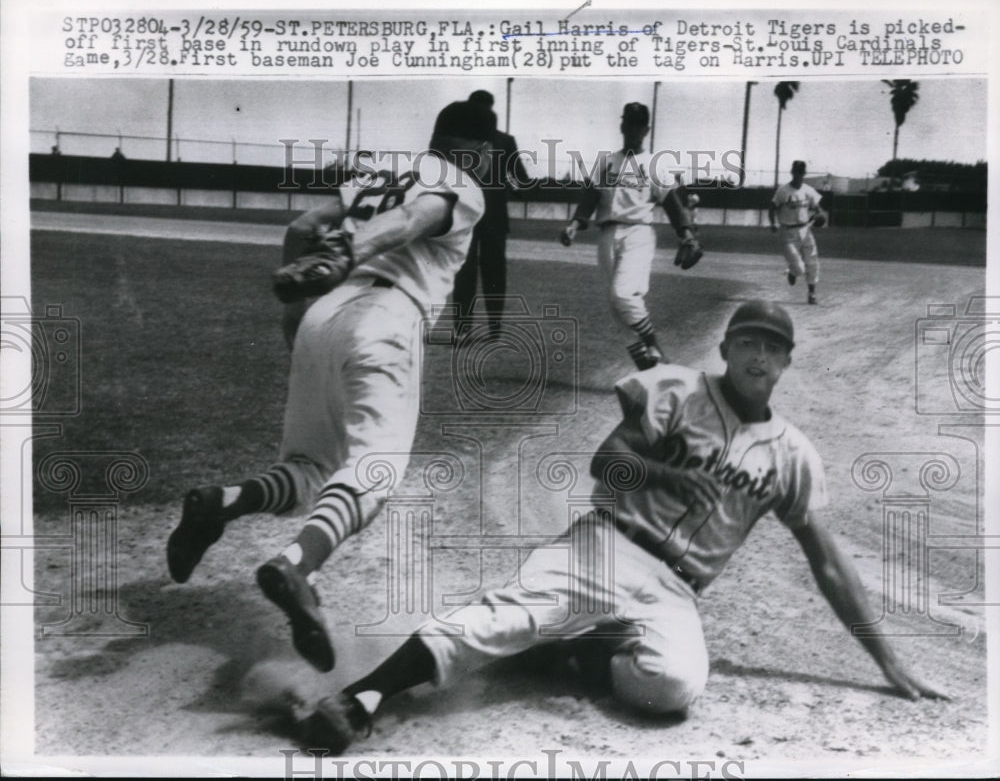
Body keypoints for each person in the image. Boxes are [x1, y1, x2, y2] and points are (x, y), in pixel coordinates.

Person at [296, 299, 946, 754]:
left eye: (773, 348)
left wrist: (888, 660)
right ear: (725, 348)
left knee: (673, 687)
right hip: (607, 546)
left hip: (676, 591)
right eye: (748, 340)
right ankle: (359, 700)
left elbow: (827, 560)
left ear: (785, 365)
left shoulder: (793, 455)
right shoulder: (679, 391)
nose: (759, 354)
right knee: (504, 618)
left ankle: (584, 649)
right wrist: (665, 477)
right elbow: (608, 460)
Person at [166, 101, 496, 672]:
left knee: (309, 466)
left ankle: (220, 503)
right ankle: (298, 564)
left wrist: (301, 304)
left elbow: (302, 228)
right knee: (374, 471)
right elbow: (417, 218)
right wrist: (352, 252)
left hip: (324, 313)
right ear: (472, 147)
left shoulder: (380, 172)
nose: (489, 160)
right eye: (488, 150)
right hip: (387, 317)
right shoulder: (460, 180)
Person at [559, 102, 702, 371]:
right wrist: (574, 226)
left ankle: (655, 346)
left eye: (639, 125)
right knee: (617, 309)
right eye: (629, 123)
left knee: (622, 294)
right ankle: (647, 368)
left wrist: (687, 236)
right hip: (606, 234)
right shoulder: (606, 162)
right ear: (622, 125)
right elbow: (590, 197)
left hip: (638, 233)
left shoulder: (653, 165)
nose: (633, 129)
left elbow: (672, 203)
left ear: (646, 129)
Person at [451, 89, 531, 342]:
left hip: (479, 217)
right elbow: (522, 181)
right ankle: (477, 329)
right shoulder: (493, 141)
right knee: (480, 273)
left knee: (478, 273)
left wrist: (515, 187)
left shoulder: (498, 141)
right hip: (475, 217)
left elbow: (521, 179)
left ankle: (478, 330)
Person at [769, 160, 825, 305]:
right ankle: (793, 272)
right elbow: (772, 207)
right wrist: (773, 223)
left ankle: (812, 293)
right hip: (787, 232)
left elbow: (818, 208)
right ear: (792, 172)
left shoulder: (808, 190)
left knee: (812, 262)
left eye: (801, 171)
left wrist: (820, 214)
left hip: (806, 229)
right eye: (796, 171)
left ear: (804, 173)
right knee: (800, 268)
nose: (799, 174)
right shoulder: (783, 191)